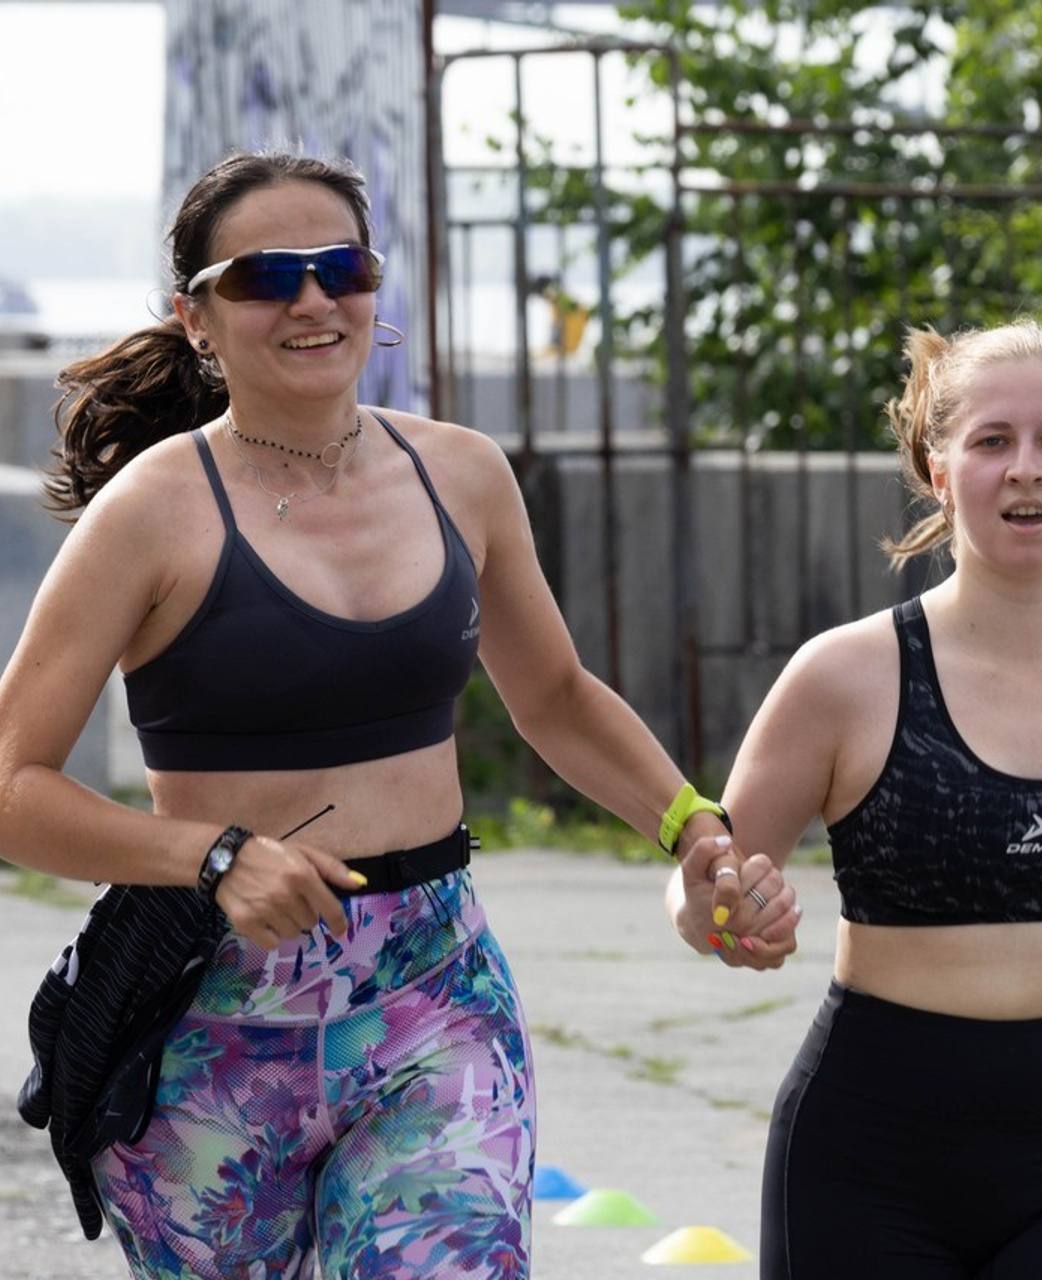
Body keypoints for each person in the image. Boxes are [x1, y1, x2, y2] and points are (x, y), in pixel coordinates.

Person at [0, 150, 799, 1279]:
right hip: (213, 1016)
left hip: (432, 989)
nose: (314, 298)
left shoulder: (460, 473)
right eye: (266, 275)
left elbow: (558, 697)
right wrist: (213, 854)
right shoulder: (150, 513)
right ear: (197, 316)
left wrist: (694, 827)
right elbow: (10, 784)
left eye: (342, 266)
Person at [667, 318, 1042, 1278]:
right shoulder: (845, 676)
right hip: (864, 1161)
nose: (1026, 468)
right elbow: (713, 876)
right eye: (992, 441)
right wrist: (723, 915)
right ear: (940, 469)